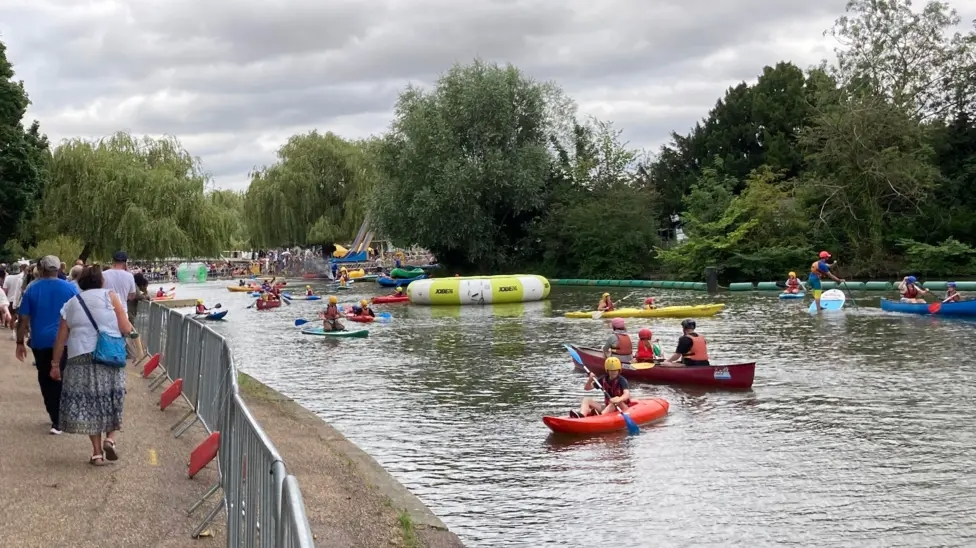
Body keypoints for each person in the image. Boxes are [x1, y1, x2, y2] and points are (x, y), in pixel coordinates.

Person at [51, 265, 135, 465]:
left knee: (90, 404)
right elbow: (125, 327)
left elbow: (61, 337)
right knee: (113, 397)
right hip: (109, 356)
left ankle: (96, 453)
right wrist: (130, 330)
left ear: (80, 282)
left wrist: (55, 364)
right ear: (101, 281)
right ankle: (111, 439)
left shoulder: (71, 303)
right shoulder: (110, 297)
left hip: (79, 356)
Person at [15, 255, 81, 435]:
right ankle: (61, 416)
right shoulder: (70, 288)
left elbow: (23, 319)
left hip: (41, 341)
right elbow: (79, 314)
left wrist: (20, 342)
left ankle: (55, 417)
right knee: (62, 377)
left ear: (41, 269)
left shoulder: (32, 289)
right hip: (66, 340)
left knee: (45, 378)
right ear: (59, 268)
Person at [102, 251, 138, 324]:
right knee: (122, 333)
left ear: (113, 261)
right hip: (122, 311)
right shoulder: (129, 276)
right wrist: (125, 297)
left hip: (106, 311)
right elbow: (132, 295)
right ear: (125, 263)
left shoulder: (103, 274)